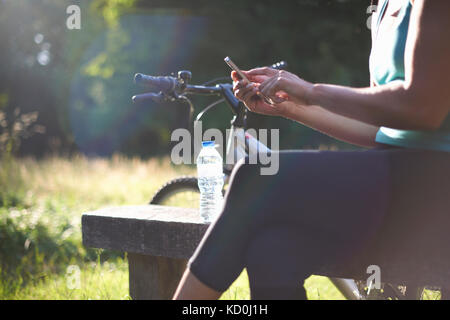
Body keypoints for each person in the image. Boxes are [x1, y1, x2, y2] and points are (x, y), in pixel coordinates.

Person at [173, 0, 450, 300]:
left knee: (255, 176)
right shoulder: (380, 6)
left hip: (435, 185)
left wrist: (311, 91)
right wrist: (289, 106)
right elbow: (383, 132)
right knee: (272, 249)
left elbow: (422, 109)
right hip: (401, 179)